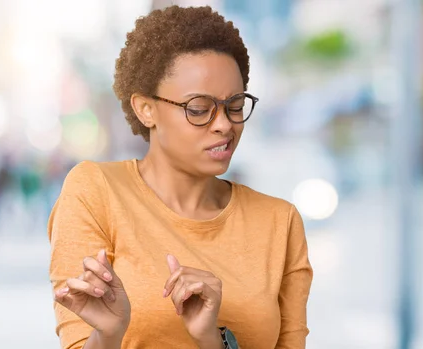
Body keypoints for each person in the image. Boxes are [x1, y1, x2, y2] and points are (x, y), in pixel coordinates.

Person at [48, 5, 313, 349]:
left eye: (235, 106)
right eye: (199, 109)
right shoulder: (95, 191)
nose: (225, 125)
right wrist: (108, 334)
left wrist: (211, 340)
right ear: (146, 108)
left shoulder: (280, 222)